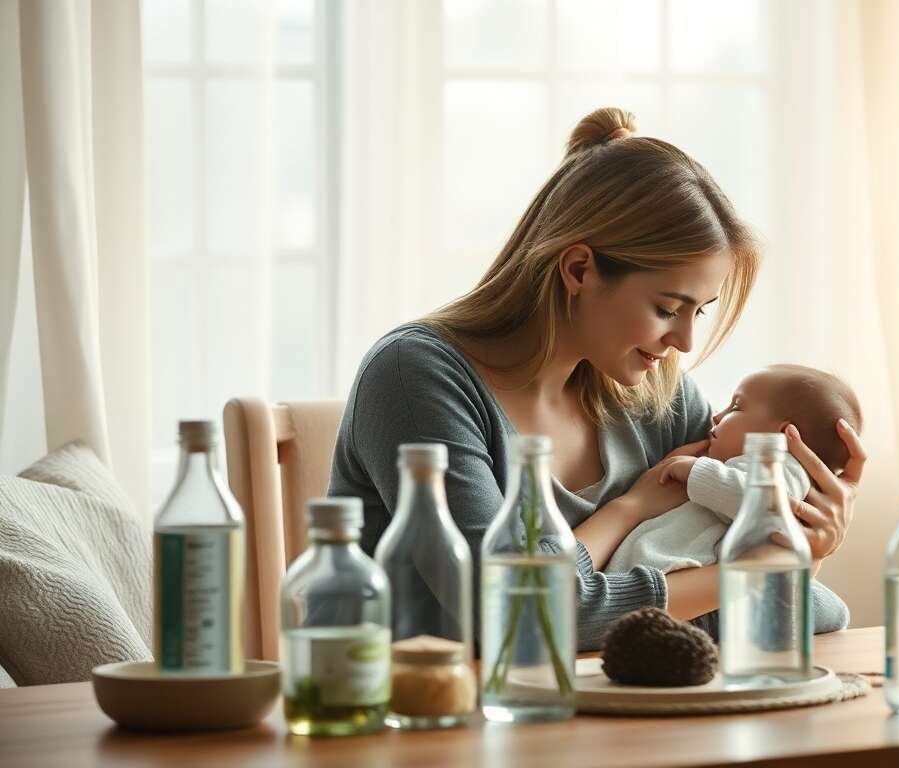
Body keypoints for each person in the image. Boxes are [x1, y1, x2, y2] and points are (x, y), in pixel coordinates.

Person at [328, 107, 867, 650]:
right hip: (428, 720)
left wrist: (800, 539)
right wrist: (634, 512)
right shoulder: (416, 378)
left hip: (604, 717)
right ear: (579, 269)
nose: (683, 342)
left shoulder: (657, 394)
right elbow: (517, 613)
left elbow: (787, 616)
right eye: (666, 308)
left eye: (698, 312)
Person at [606, 365, 861, 585]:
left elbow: (758, 504)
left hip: (689, 588)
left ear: (783, 436)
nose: (717, 416)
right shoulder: (744, 466)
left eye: (736, 407)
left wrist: (695, 470)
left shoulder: (784, 467)